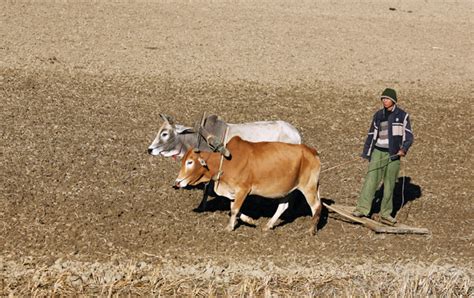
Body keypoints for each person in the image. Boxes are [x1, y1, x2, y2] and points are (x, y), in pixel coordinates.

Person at [352, 88, 414, 225]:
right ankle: (362, 209)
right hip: (378, 152)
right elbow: (371, 135)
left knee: (389, 185)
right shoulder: (378, 115)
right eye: (383, 99)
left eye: (387, 99)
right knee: (371, 180)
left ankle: (386, 214)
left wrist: (403, 149)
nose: (384, 101)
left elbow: (408, 136)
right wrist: (367, 153)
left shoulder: (402, 116)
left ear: (393, 100)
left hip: (393, 155)